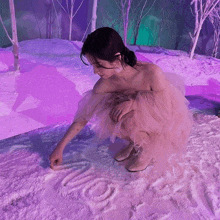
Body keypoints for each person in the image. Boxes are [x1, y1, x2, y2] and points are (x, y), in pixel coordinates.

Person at [49, 27, 193, 173]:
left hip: (160, 112)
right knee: (113, 116)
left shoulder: (150, 73)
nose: (95, 71)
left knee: (130, 120)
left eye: (99, 65)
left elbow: (165, 108)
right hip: (136, 112)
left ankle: (147, 148)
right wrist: (59, 148)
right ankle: (134, 143)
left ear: (117, 58)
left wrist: (134, 104)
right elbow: (83, 117)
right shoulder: (104, 85)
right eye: (92, 65)